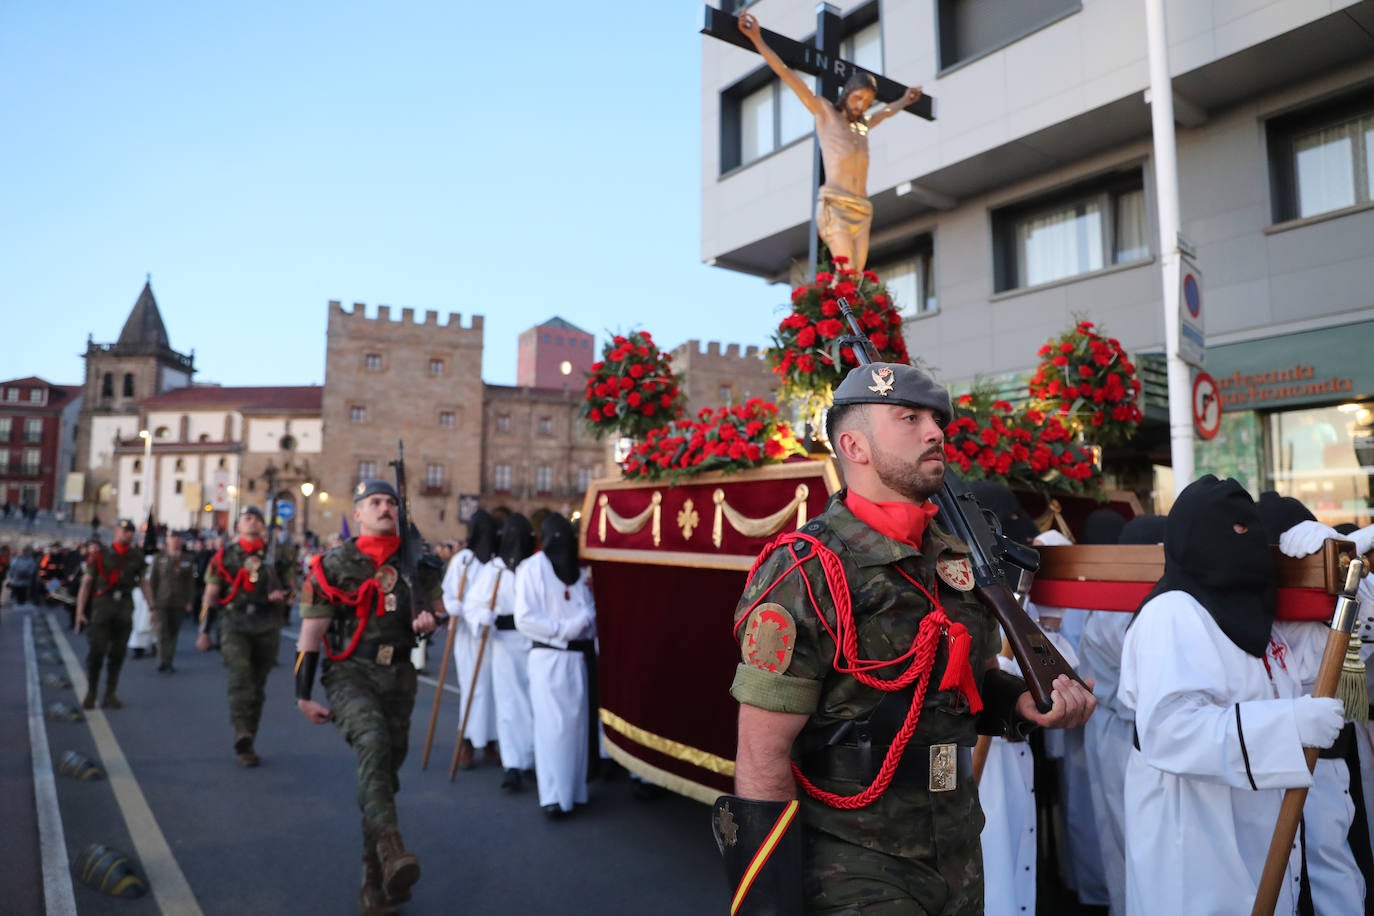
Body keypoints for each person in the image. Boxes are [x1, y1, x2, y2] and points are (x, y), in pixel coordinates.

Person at [717, 361, 1095, 914]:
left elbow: (964, 677)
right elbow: (761, 752)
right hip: (852, 861)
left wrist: (1021, 703)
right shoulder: (808, 569)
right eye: (909, 417)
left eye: (937, 419)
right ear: (855, 445)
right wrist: (771, 903)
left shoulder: (954, 557)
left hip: (959, 843)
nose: (936, 431)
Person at [1119, 476, 1345, 916]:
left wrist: (1330, 570)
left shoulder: (1261, 621)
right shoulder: (1173, 614)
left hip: (1260, 831)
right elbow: (1171, 731)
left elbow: (1318, 664)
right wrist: (1289, 726)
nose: (1246, 543)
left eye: (1251, 530)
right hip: (1196, 838)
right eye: (1231, 530)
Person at [294, 478, 443, 914]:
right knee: (373, 744)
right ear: (357, 513)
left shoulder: (419, 562)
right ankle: (394, 850)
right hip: (349, 674)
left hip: (399, 676)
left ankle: (375, 879)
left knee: (382, 777)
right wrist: (302, 694)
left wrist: (430, 621)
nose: (384, 508)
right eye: (374, 502)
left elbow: (436, 609)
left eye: (390, 502)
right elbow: (311, 634)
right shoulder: (333, 565)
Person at [737, 12, 923, 276]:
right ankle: (835, 315)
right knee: (846, 271)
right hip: (835, 203)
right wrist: (758, 39)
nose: (861, 105)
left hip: (862, 207)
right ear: (847, 93)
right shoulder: (826, 113)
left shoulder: (863, 124)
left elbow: (887, 112)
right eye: (857, 98)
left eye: (866, 102)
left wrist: (905, 101)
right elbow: (786, 74)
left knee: (856, 277)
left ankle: (848, 317)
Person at [1258, 493, 1369, 916]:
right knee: (1304, 858)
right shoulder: (1267, 591)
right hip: (1286, 733)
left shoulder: (1326, 572)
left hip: (1324, 734)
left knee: (1328, 852)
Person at [1078, 513, 1165, 916]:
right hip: (1127, 731)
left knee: (1126, 838)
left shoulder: (1116, 598)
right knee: (1135, 839)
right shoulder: (1126, 606)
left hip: (1118, 727)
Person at [196, 506, 296, 767]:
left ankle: (249, 736)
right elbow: (211, 594)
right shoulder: (225, 556)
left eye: (256, 518)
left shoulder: (277, 555)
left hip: (266, 624)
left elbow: (294, 591)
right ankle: (241, 731)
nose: (251, 521)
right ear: (238, 526)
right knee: (240, 675)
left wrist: (284, 597)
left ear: (263, 526)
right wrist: (204, 631)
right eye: (245, 518)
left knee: (257, 684)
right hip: (233, 623)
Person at [515, 512, 598, 819]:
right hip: (548, 656)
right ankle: (551, 795)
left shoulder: (579, 569)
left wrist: (586, 620)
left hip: (578, 658)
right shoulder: (531, 568)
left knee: (576, 727)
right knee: (552, 729)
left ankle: (575, 791)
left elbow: (588, 608)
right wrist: (562, 630)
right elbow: (525, 617)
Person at [465, 514, 536, 791]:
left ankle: (537, 757)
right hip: (504, 644)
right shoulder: (494, 570)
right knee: (509, 703)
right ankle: (514, 763)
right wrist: (482, 615)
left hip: (536, 642)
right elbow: (473, 604)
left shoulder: (537, 567)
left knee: (536, 703)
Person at [74, 520, 153, 709]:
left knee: (118, 653)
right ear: (116, 531)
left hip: (124, 607)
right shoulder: (100, 555)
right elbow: (86, 583)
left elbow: (144, 583)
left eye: (131, 532)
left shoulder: (136, 556)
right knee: (97, 652)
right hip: (103, 606)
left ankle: (110, 693)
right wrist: (79, 612)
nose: (128, 535)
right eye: (125, 531)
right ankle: (91, 692)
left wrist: (152, 607)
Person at [451, 512, 501, 769]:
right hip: (467, 637)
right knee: (474, 689)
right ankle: (467, 741)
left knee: (493, 690)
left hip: (493, 637)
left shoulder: (497, 563)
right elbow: (449, 595)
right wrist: (457, 607)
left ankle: (491, 741)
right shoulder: (463, 561)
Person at [150, 529, 197, 672]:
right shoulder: (159, 558)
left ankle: (169, 660)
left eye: (178, 538)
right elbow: (154, 581)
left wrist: (189, 601)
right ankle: (162, 660)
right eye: (173, 538)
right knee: (162, 631)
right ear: (167, 540)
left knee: (173, 632)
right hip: (162, 600)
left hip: (179, 601)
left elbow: (190, 583)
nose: (176, 541)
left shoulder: (188, 559)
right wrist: (152, 602)